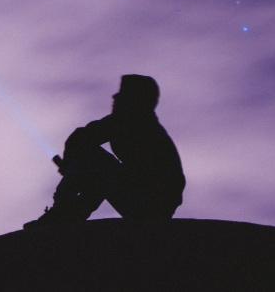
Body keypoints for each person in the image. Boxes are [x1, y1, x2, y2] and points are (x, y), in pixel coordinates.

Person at [24, 74, 185, 229]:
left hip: (151, 204)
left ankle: (63, 214)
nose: (114, 98)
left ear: (135, 100)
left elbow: (81, 140)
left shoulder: (134, 122)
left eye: (122, 95)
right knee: (97, 169)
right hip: (146, 198)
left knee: (95, 163)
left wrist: (71, 169)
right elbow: (81, 138)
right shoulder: (132, 122)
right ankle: (66, 214)